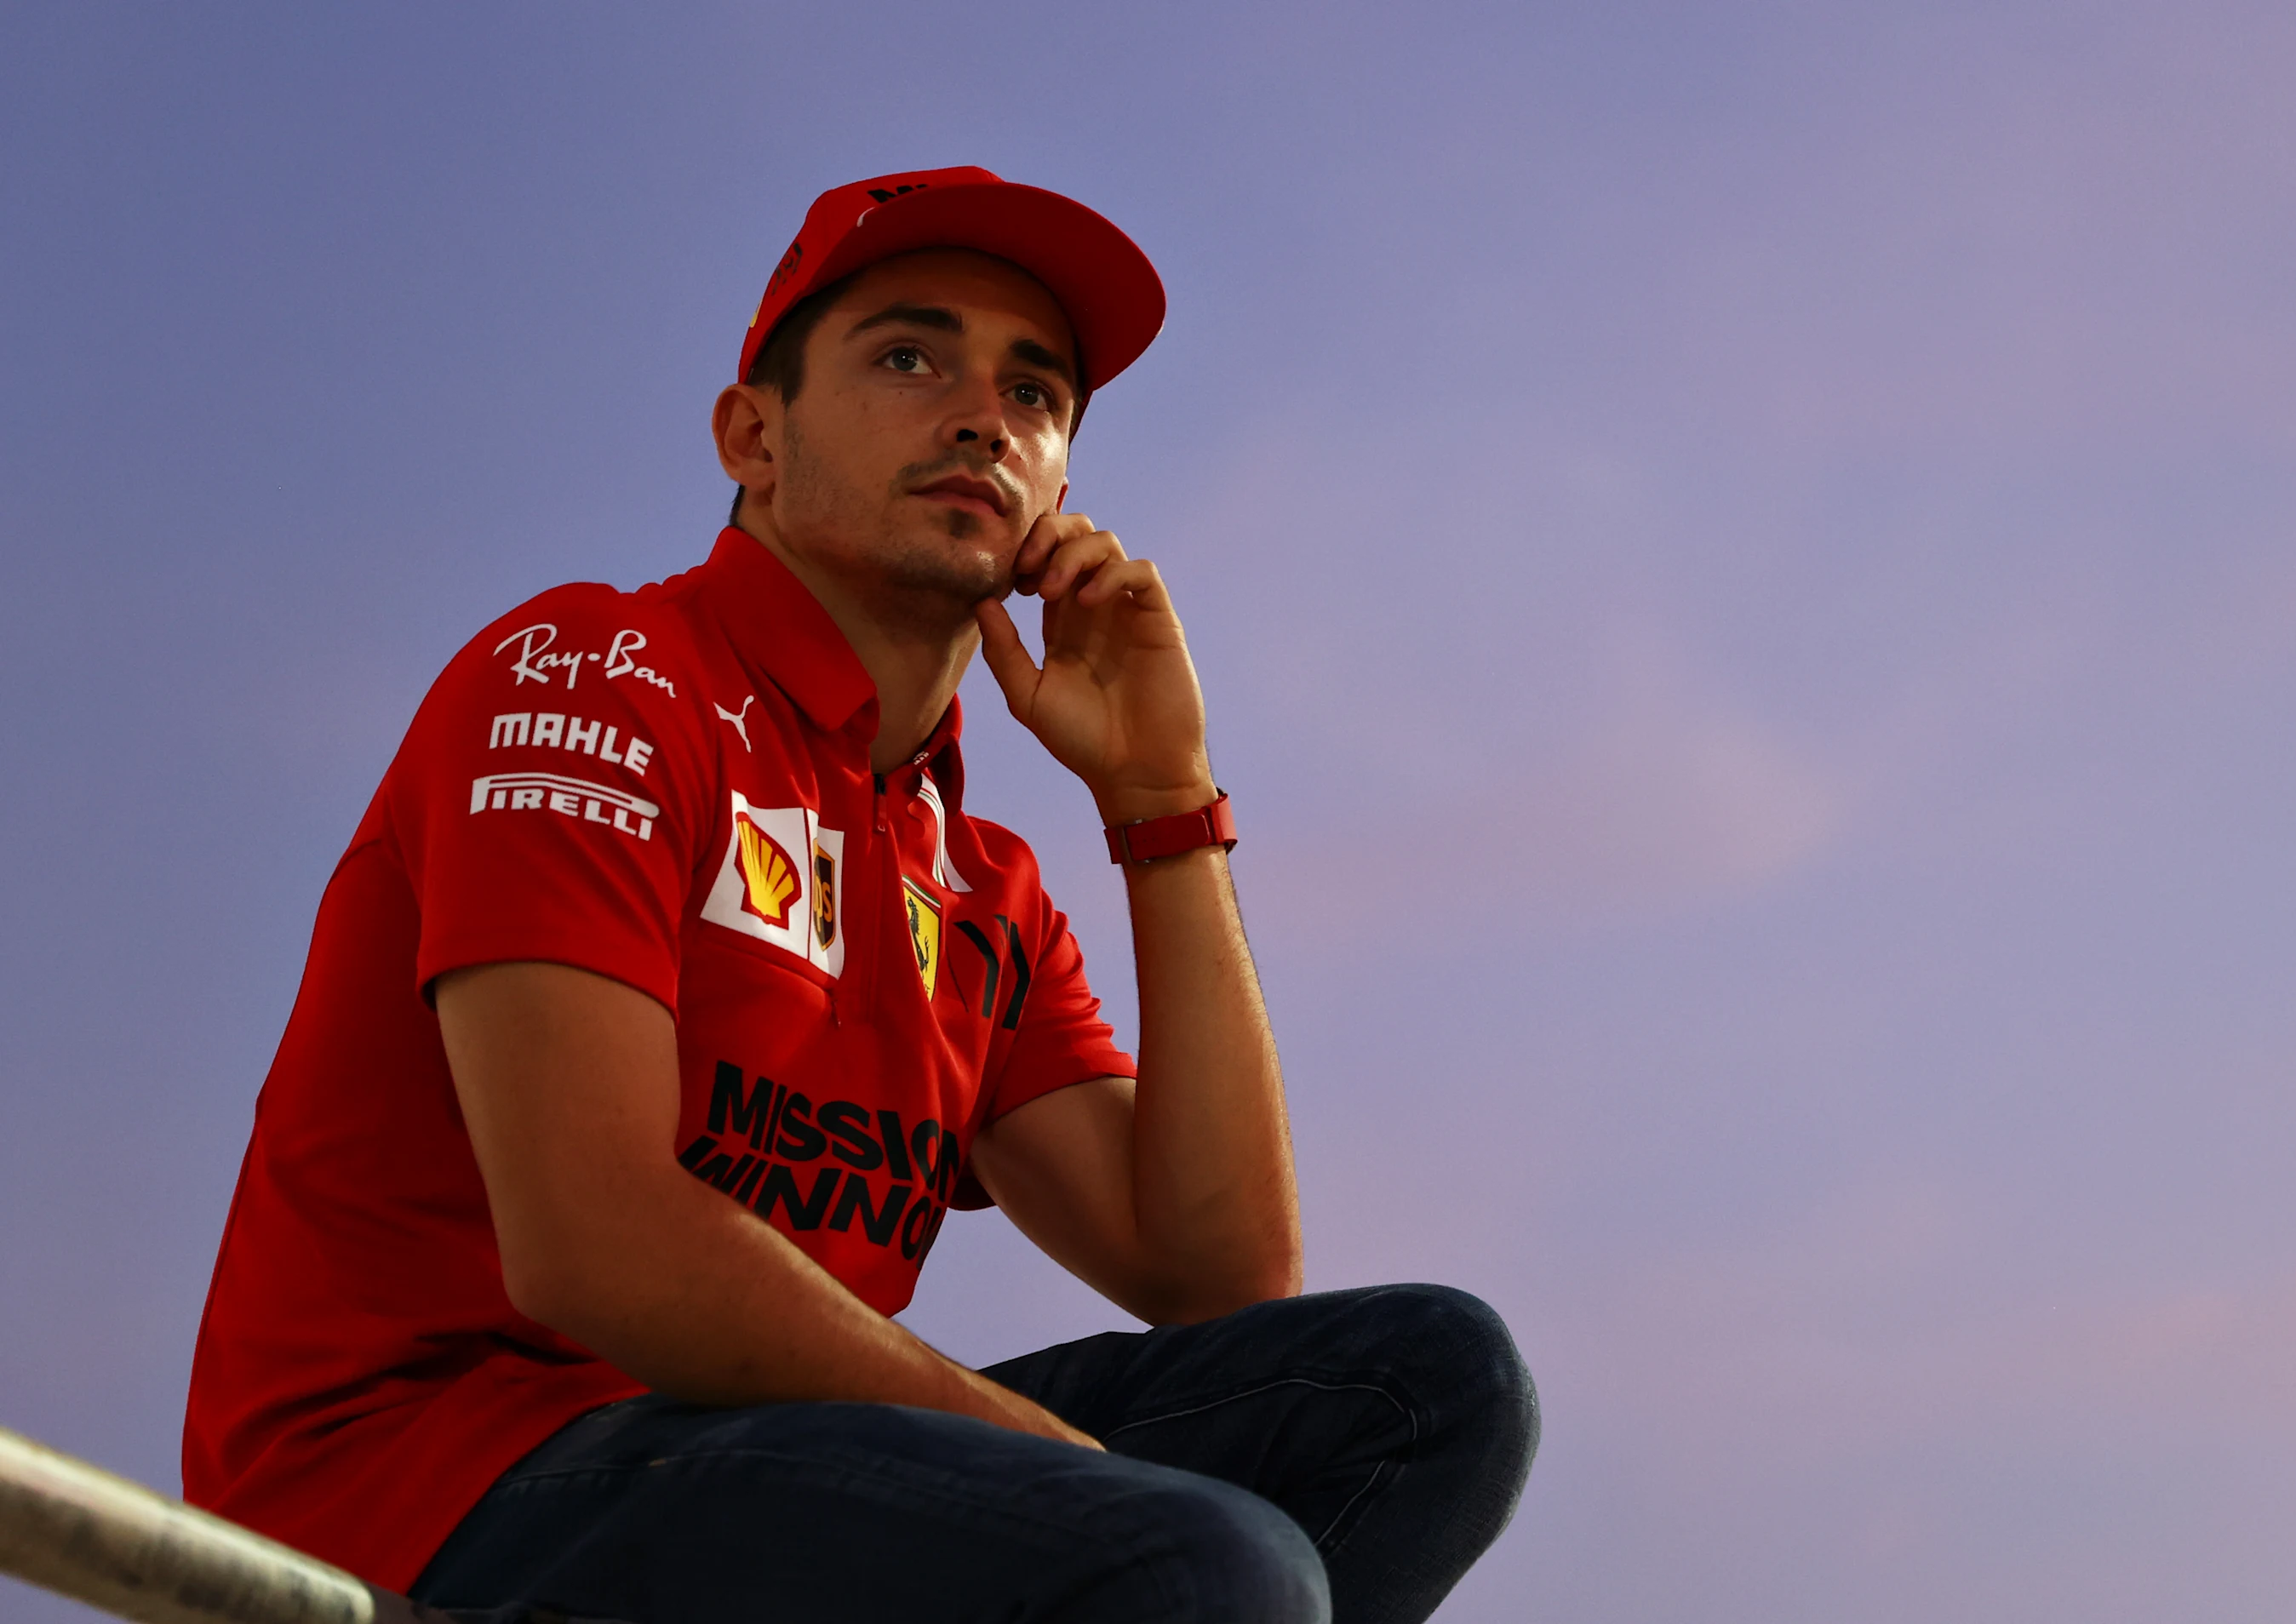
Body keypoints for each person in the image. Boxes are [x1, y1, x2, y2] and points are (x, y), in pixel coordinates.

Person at [180, 166, 1537, 1624]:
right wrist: (1051, 1463)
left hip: (754, 1467)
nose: (980, 416)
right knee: (1213, 1562)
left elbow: (1219, 1278)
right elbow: (597, 1244)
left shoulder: (979, 883)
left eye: (1036, 393)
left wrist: (1161, 809)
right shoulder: (593, 677)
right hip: (425, 1485)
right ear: (752, 437)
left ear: (1059, 491)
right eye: (910, 356)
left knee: (1430, 1385)